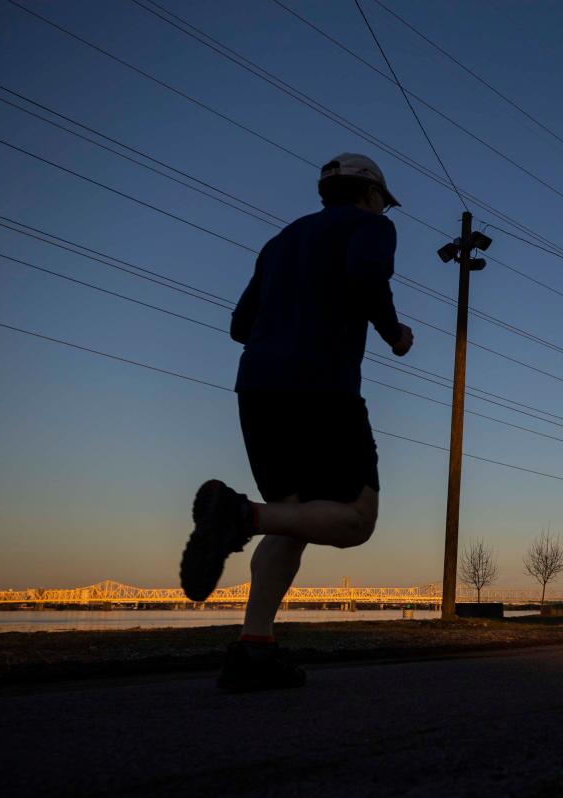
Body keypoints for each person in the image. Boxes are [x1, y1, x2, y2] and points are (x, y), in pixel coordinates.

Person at [180, 153, 414, 692]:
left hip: (257, 390)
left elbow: (240, 326)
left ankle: (253, 649)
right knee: (356, 520)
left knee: (292, 516)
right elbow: (366, 275)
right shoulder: (372, 226)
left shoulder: (280, 241)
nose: (386, 208)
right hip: (323, 388)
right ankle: (240, 516)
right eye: (385, 199)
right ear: (370, 194)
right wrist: (394, 333)